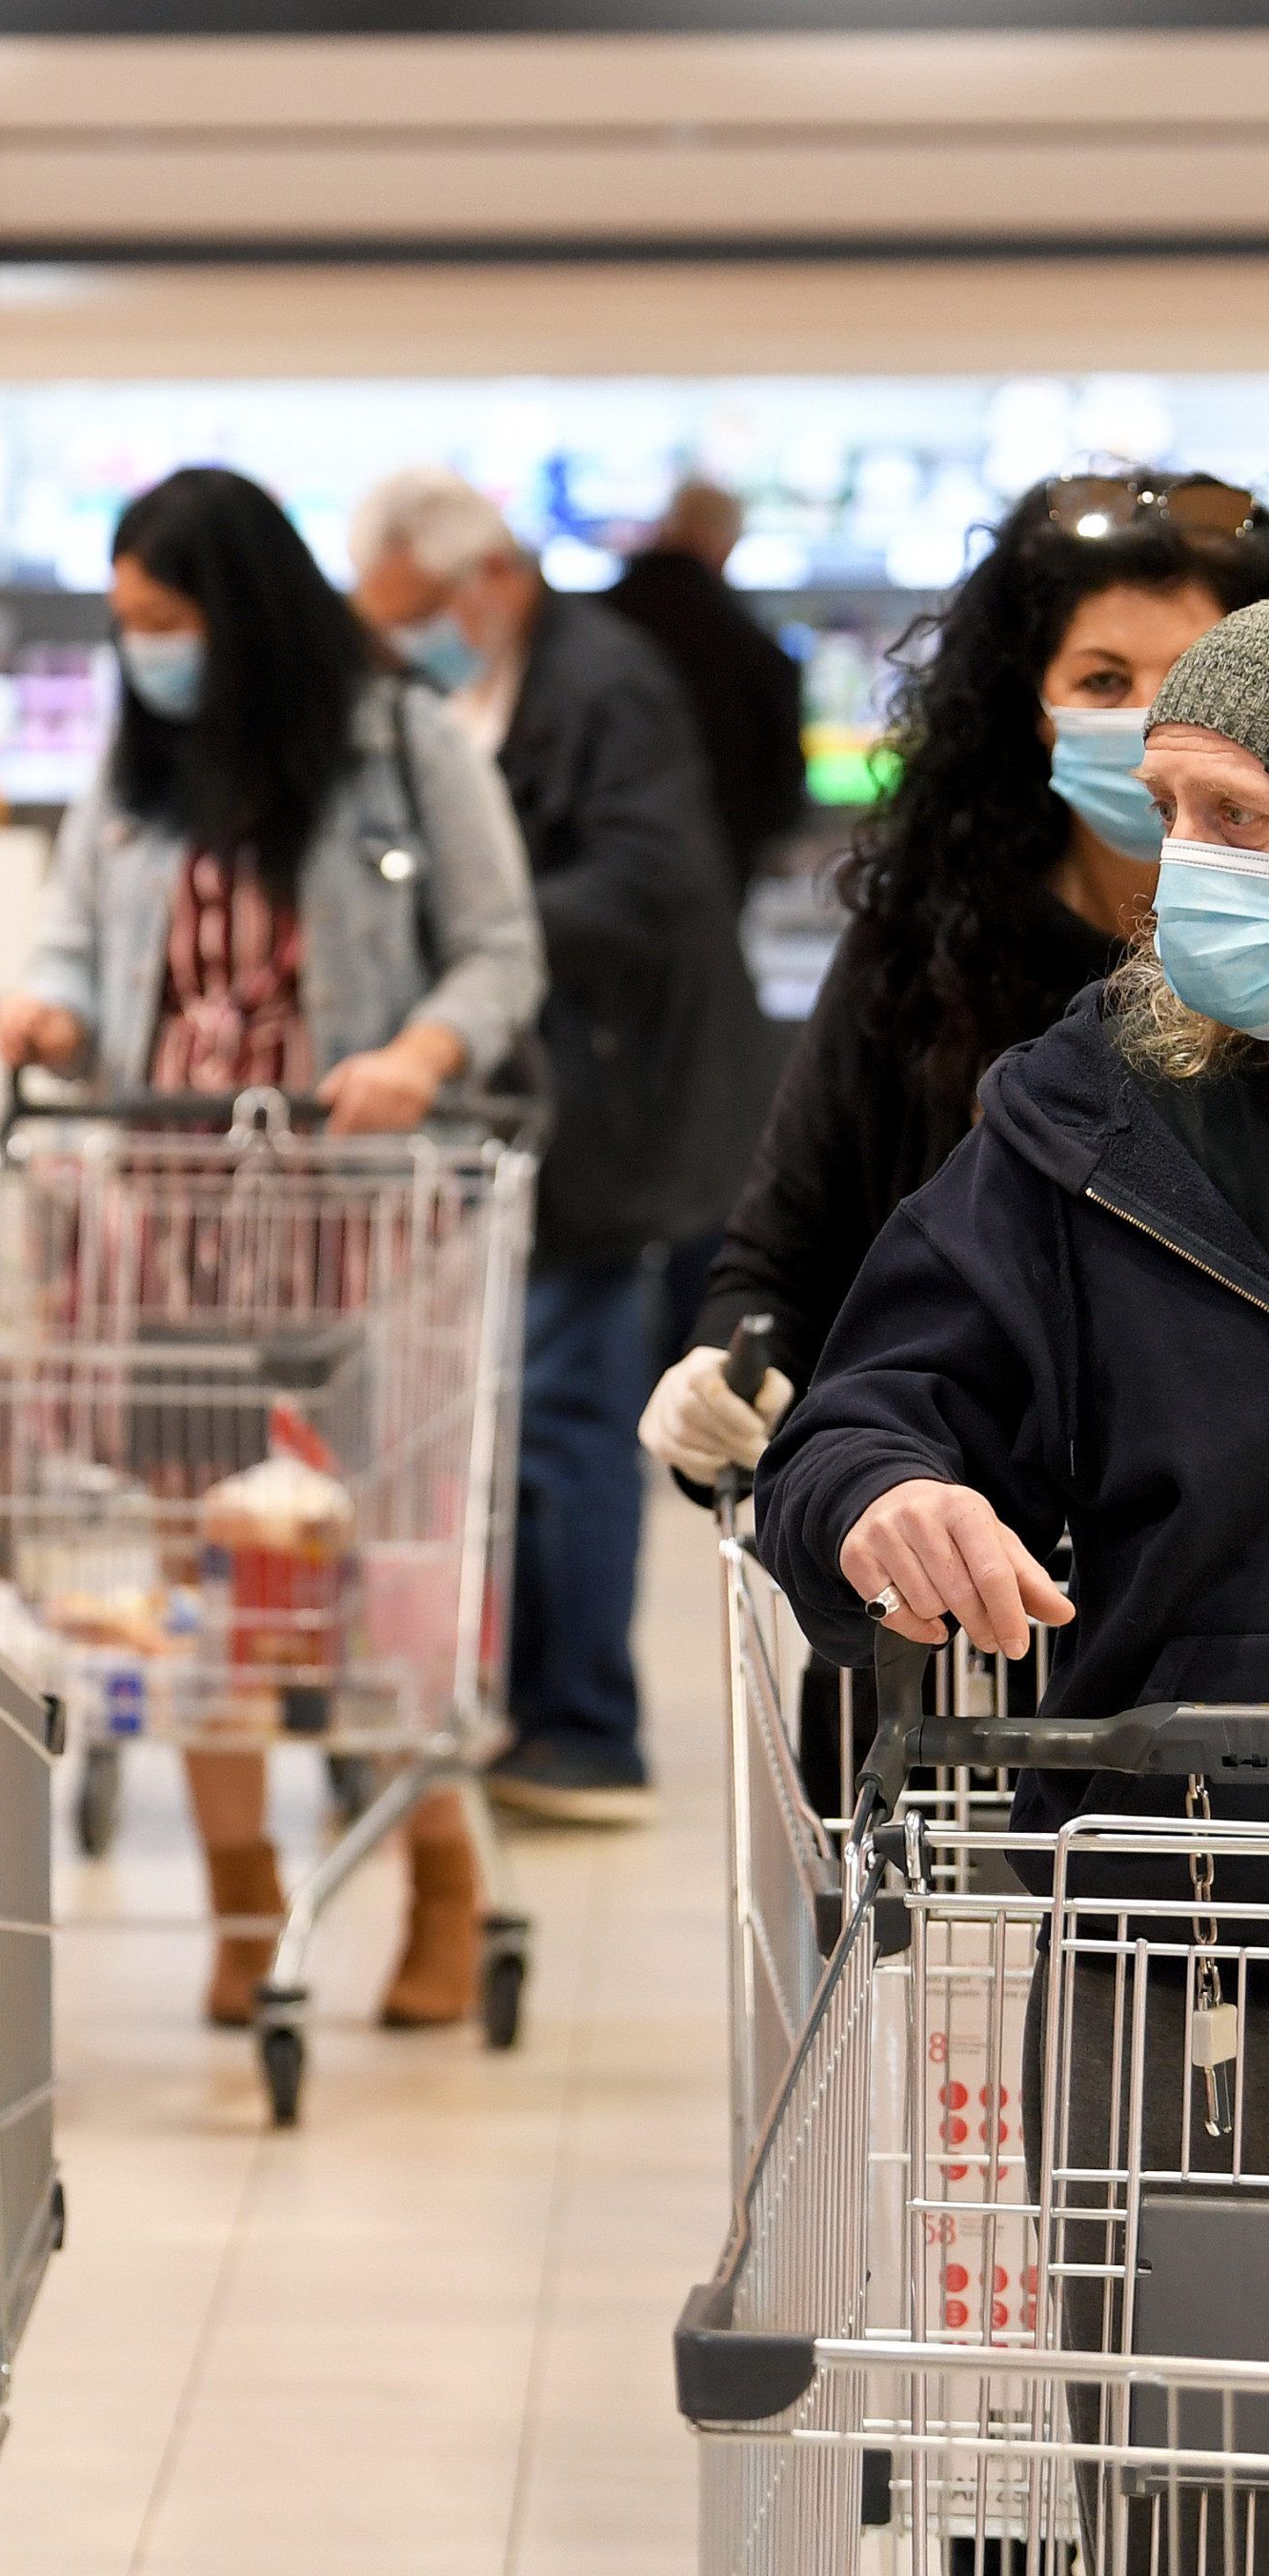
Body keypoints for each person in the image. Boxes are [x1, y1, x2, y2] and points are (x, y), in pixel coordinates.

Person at [754, 594, 1269, 2572]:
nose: (1181, 874)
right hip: (1170, 1921)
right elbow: (864, 1406)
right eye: (1176, 820)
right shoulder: (1087, 1114)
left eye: (1239, 818)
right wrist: (879, 1493)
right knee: (1181, 2490)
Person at [0, 463, 547, 2029]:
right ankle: (246, 1902)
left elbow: (502, 948)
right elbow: (68, 930)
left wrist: (422, 1057)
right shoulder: (132, 762)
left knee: (363, 1578)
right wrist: (45, 1001)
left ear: (240, 613)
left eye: (168, 622)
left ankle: (435, 1869)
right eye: (126, 627)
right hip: (159, 1242)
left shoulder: (398, 743)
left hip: (353, 1236)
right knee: (198, 1579)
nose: (147, 654)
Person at [643, 474, 1269, 1495]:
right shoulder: (927, 948)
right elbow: (790, 1251)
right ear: (1028, 701)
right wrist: (729, 1374)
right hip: (956, 1582)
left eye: (1186, 678)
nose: (1155, 719)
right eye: (1103, 682)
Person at [351, 465, 765, 1823]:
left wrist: (478, 931)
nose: (401, 637)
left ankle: (585, 1727)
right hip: (530, 1104)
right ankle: (521, 1702)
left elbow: (652, 881)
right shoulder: (467, 685)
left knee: (572, 1417)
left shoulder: (604, 684)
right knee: (512, 1416)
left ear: (493, 583)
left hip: (615, 1108)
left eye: (415, 612)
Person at [606, 478, 807, 896]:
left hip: (605, 859)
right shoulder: (751, 644)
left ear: (665, 528)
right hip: (716, 860)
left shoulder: (600, 622)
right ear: (726, 546)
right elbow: (780, 775)